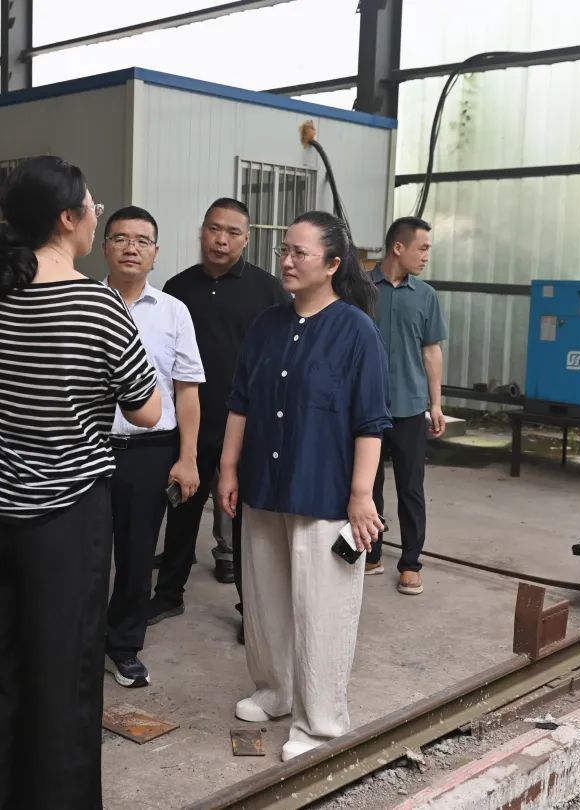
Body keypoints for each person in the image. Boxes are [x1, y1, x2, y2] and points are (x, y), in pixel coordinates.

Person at [0, 157, 161, 809]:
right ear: (67, 218)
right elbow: (147, 410)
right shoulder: (98, 304)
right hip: (68, 514)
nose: (98, 214)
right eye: (93, 206)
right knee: (64, 670)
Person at [217, 211, 391, 761]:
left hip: (324, 492)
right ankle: (275, 691)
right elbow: (241, 401)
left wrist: (361, 496)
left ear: (333, 264)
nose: (287, 261)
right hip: (265, 485)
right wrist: (228, 468)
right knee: (265, 601)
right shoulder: (267, 324)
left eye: (300, 253)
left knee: (322, 610)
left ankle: (319, 723)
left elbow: (371, 423)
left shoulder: (356, 331)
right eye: (284, 251)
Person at [148, 198, 286, 641]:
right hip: (189, 425)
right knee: (181, 512)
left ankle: (252, 610)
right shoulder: (178, 287)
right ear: (202, 231)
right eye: (213, 229)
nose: (220, 240)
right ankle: (169, 593)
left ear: (247, 239)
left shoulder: (268, 291)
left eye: (232, 232)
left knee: (246, 523)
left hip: (244, 427)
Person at [101, 205, 205, 689]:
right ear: (105, 246)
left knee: (137, 556)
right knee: (82, 552)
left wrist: (187, 458)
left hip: (149, 452)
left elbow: (187, 390)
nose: (131, 248)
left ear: (156, 252)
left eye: (142, 240)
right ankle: (77, 642)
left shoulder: (173, 311)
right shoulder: (83, 303)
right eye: (121, 238)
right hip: (89, 448)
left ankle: (123, 646)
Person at [366, 217, 447, 595]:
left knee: (411, 489)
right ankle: (370, 553)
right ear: (398, 248)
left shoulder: (425, 295)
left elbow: (432, 350)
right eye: (423, 248)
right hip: (367, 408)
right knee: (367, 486)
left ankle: (411, 563)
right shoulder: (361, 289)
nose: (427, 256)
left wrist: (436, 403)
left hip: (411, 408)